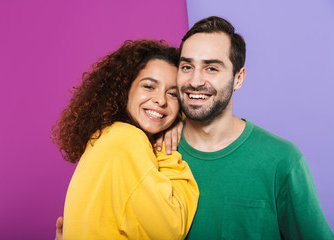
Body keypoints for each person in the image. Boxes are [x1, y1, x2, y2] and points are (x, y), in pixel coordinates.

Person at [174, 16, 333, 239]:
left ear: (238, 78)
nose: (195, 80)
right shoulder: (154, 150)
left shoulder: (282, 160)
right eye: (187, 66)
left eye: (211, 68)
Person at [52, 40, 199, 239]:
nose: (161, 100)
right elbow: (171, 229)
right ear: (125, 90)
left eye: (172, 93)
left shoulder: (106, 136)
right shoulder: (128, 140)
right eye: (149, 86)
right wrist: (166, 149)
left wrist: (181, 119)